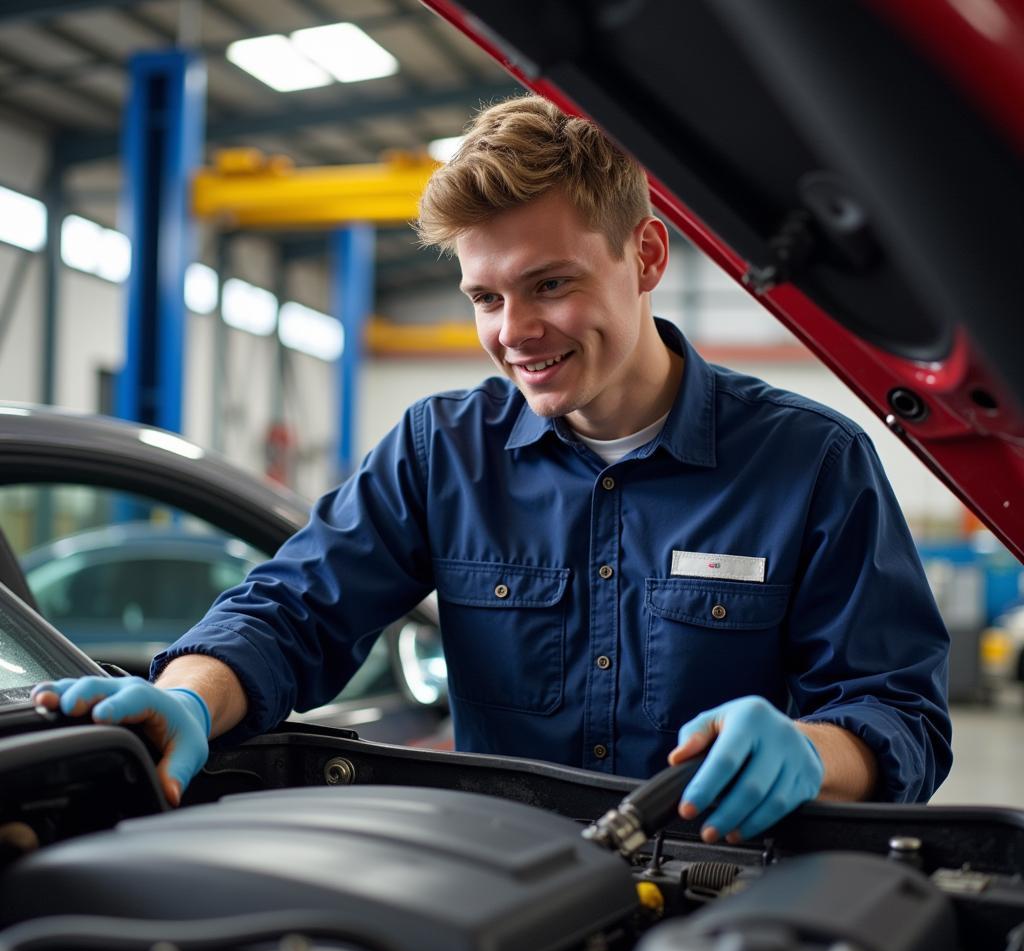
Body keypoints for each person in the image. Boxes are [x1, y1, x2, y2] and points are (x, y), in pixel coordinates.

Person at [33, 96, 951, 844]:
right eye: (485, 296)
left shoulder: (810, 462)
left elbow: (899, 711)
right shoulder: (442, 453)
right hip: (504, 887)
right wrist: (187, 699)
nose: (514, 331)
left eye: (550, 284)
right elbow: (294, 610)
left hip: (726, 894)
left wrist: (811, 747)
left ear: (646, 254)